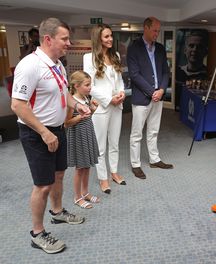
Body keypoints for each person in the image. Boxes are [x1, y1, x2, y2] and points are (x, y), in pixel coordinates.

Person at [11, 17, 91, 254]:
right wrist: (45, 133)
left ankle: (57, 213)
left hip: (57, 130)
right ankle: (37, 233)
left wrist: (77, 106)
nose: (69, 43)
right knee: (43, 185)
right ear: (48, 39)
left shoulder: (58, 64)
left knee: (58, 176)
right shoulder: (30, 65)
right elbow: (18, 105)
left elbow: (63, 93)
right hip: (37, 133)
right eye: (64, 38)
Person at [127, 17, 173, 179]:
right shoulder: (134, 48)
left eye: (158, 31)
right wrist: (151, 91)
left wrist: (161, 89)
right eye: (154, 30)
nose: (157, 34)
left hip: (158, 97)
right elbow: (134, 74)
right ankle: (135, 164)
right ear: (145, 28)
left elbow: (165, 72)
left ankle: (154, 159)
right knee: (136, 133)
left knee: (153, 130)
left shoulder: (160, 48)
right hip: (142, 98)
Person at [83, 24, 126, 194]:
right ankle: (103, 178)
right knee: (100, 145)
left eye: (111, 36)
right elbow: (89, 86)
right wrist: (109, 99)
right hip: (101, 106)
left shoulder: (115, 55)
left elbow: (120, 79)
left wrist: (122, 92)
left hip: (118, 105)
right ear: (98, 38)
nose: (110, 39)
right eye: (106, 36)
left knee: (114, 142)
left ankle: (114, 172)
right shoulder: (89, 58)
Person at [65, 71, 100, 209]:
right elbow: (66, 123)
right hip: (78, 136)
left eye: (90, 84)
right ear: (76, 86)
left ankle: (85, 193)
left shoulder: (86, 98)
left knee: (87, 166)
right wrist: (79, 117)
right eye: (87, 85)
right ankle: (77, 197)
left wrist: (93, 108)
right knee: (80, 168)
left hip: (87, 133)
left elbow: (88, 115)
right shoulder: (72, 102)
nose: (90, 87)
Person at [175, 30, 209, 111]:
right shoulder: (178, 71)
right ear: (185, 50)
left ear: (205, 52)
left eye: (199, 47)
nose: (195, 50)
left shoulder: (206, 74)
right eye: (191, 46)